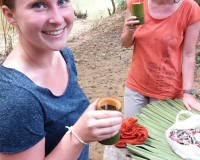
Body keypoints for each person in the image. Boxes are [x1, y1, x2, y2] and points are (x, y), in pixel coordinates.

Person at [0, 0, 123, 160]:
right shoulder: (16, 98)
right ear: (10, 15)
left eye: (62, 1)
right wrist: (78, 136)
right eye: (38, 5)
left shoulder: (63, 55)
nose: (58, 19)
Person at [121, 0, 200, 117]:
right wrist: (130, 30)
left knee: (155, 134)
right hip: (135, 87)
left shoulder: (189, 8)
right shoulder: (136, 2)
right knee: (131, 131)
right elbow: (126, 43)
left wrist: (188, 93)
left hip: (167, 91)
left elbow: (188, 55)